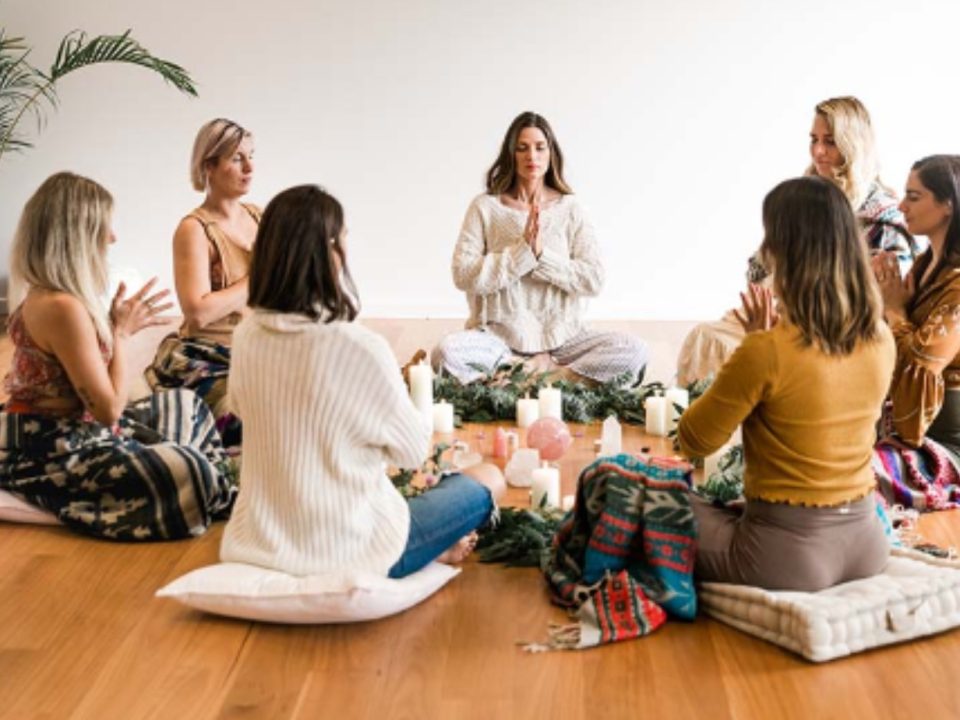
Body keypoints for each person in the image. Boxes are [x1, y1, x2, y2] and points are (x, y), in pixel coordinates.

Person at [220, 185, 504, 578]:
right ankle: (433, 549)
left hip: (260, 544)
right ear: (332, 252)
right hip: (354, 549)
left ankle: (435, 547)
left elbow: (240, 410)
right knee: (488, 478)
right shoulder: (360, 347)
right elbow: (411, 451)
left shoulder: (246, 336)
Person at [678, 176, 895, 591]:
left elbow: (695, 440)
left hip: (787, 558)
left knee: (625, 489)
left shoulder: (767, 350)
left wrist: (751, 347)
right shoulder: (881, 337)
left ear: (785, 250)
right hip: (868, 544)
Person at [0, 172, 236, 540]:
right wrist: (122, 334)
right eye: (104, 227)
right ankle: (214, 486)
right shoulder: (61, 307)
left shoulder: (57, 297)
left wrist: (113, 326)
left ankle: (211, 486)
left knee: (186, 405)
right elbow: (108, 410)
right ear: (77, 235)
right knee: (189, 469)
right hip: (49, 447)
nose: (112, 237)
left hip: (81, 430)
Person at [677, 96, 915, 386]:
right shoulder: (804, 195)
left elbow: (874, 304)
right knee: (705, 337)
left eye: (830, 142)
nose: (818, 151)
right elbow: (759, 268)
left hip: (832, 333)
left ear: (853, 145)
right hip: (785, 315)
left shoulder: (883, 222)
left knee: (734, 351)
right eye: (814, 140)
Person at [432, 111, 648, 386]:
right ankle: (532, 373)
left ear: (551, 153)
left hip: (564, 341)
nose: (531, 156)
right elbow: (463, 274)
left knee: (634, 351)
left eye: (539, 147)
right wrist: (521, 255)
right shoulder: (485, 207)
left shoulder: (571, 208)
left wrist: (542, 258)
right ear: (511, 154)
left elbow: (593, 279)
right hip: (498, 341)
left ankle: (540, 377)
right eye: (522, 148)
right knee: (446, 353)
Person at [146, 118, 259, 450]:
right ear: (208, 165)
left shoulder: (260, 217)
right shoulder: (194, 230)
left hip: (259, 349)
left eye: (252, 156)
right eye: (237, 158)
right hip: (208, 357)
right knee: (247, 417)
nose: (250, 167)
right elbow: (198, 313)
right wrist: (259, 277)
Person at [872, 155, 960, 510]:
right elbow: (888, 343)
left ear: (947, 205)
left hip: (947, 445)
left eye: (914, 196)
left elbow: (919, 366)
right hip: (902, 430)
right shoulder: (924, 267)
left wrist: (895, 310)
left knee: (854, 476)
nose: (901, 206)